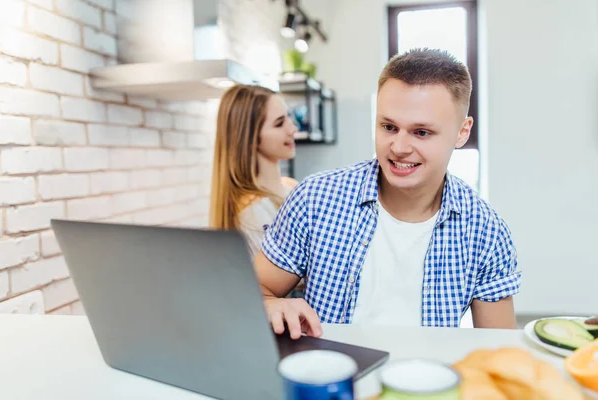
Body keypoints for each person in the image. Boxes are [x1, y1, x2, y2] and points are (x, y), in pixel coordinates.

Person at [254, 48, 522, 339]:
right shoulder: (314, 199)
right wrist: (270, 305)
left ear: (462, 131)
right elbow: (257, 291)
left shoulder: (485, 231)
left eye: (421, 132)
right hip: (331, 379)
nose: (399, 147)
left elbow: (499, 347)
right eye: (389, 127)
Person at [209, 84, 299, 259]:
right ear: (249, 138)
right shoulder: (253, 212)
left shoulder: (290, 186)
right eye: (279, 123)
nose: (293, 129)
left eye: (288, 117)